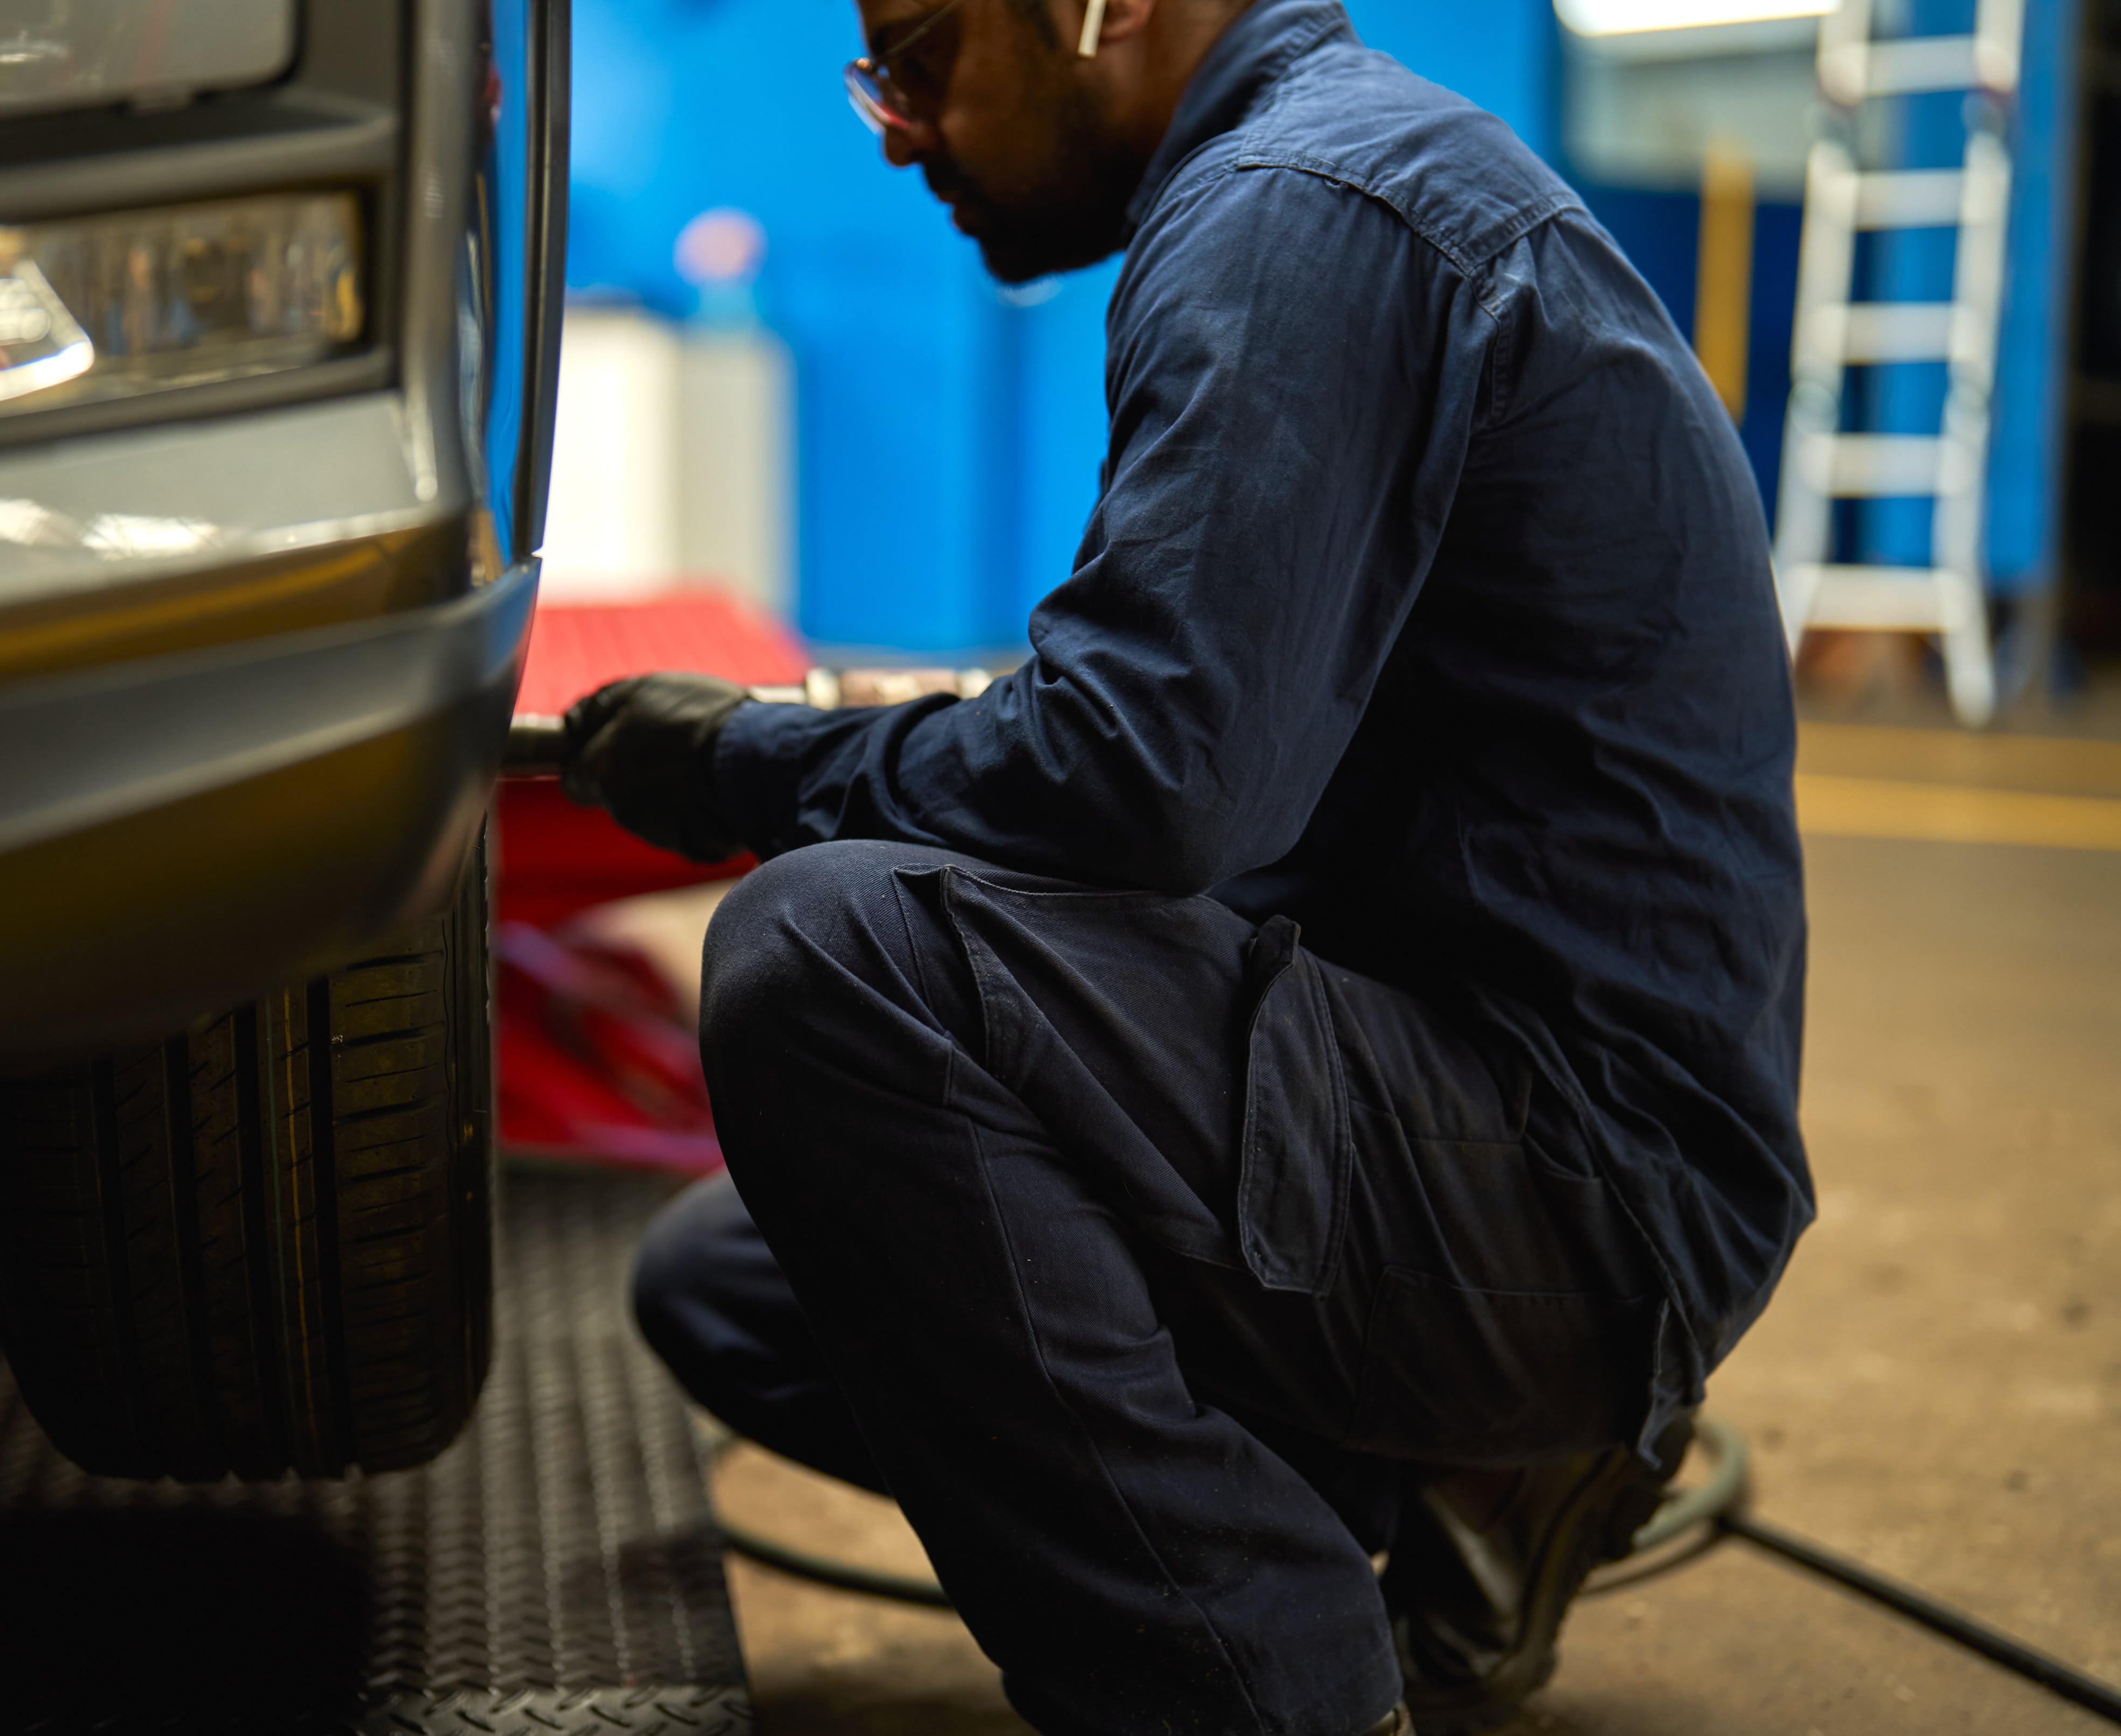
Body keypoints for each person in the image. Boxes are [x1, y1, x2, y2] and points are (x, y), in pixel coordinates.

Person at [555, 0, 1810, 1730]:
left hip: (1573, 1186)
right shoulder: (1312, 182)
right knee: (732, 1287)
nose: (893, 130)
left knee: (830, 964)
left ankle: (1265, 1688)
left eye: (915, 58)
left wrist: (741, 759)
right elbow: (1173, 750)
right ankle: (1449, 1486)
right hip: (1458, 1109)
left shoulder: (1302, 205)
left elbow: (1143, 783)